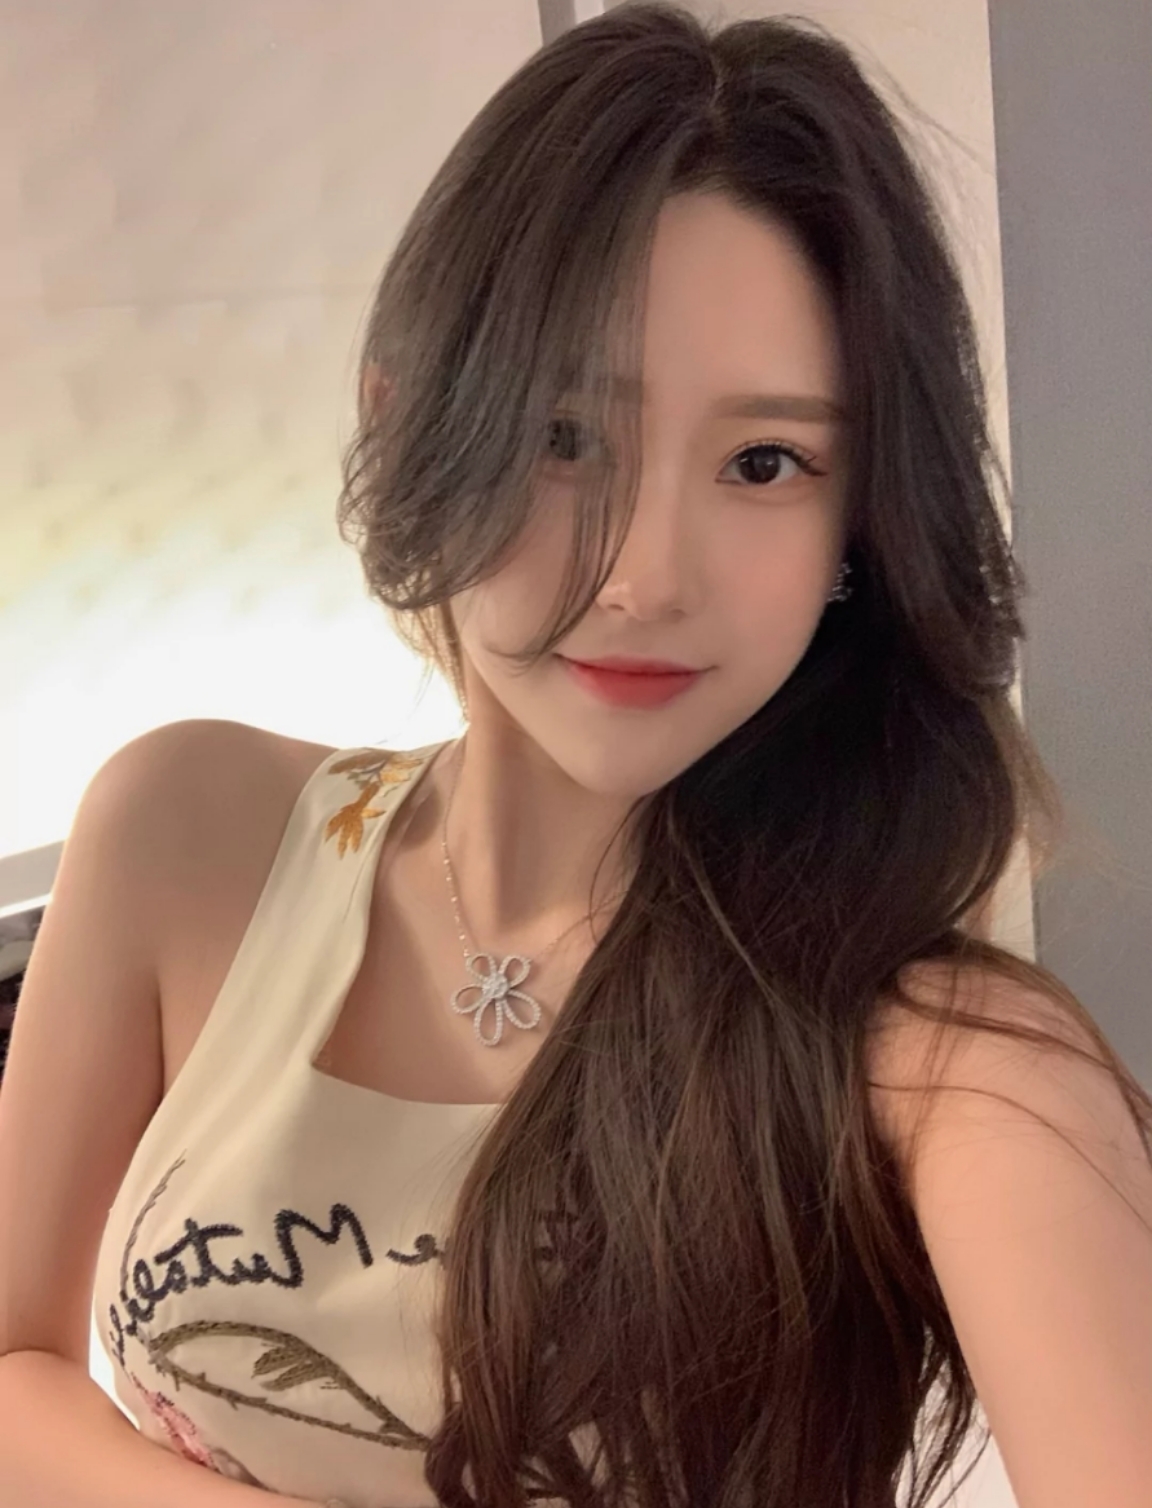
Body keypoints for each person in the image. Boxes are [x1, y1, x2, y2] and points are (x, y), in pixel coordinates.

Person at [2, 5, 1150, 1508]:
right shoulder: (190, 826)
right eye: (563, 436)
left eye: (764, 462)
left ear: (859, 527)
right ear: (409, 428)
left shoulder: (936, 1060)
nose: (645, 575)